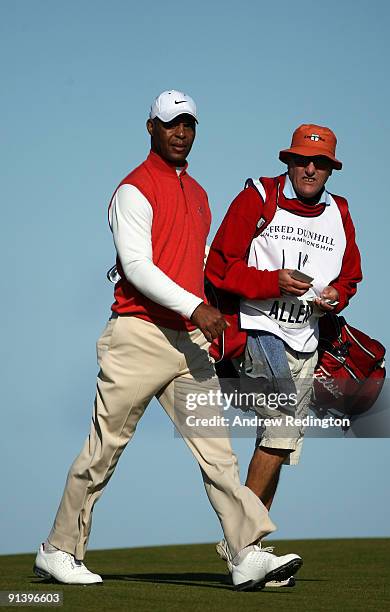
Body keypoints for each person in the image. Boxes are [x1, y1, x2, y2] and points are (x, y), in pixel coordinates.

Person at [33, 90, 303, 592]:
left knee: (218, 455)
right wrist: (195, 307)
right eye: (170, 124)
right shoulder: (133, 190)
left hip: (188, 343)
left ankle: (245, 554)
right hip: (138, 336)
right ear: (151, 127)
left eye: (188, 125)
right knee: (103, 451)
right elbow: (136, 267)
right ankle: (58, 550)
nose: (180, 133)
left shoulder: (198, 194)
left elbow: (202, 262)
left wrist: (224, 308)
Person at [206, 123, 362, 584]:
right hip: (256, 330)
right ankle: (242, 546)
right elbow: (218, 267)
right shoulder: (259, 197)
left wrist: (337, 295)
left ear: (331, 169)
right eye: (301, 160)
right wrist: (270, 282)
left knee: (278, 442)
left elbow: (351, 276)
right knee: (282, 425)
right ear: (288, 162)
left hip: (307, 339)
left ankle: (250, 552)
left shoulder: (341, 211)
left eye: (319, 163)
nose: (309, 169)